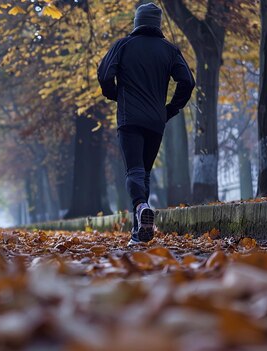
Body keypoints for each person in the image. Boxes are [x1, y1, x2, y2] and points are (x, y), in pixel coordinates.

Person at [97, 2, 195, 246]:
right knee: (145, 174)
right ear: (157, 24)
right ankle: (138, 233)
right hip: (155, 121)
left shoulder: (123, 45)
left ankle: (141, 208)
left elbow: (105, 74)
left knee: (134, 171)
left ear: (137, 22)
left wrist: (114, 94)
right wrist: (170, 109)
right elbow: (188, 82)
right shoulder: (170, 50)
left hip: (130, 118)